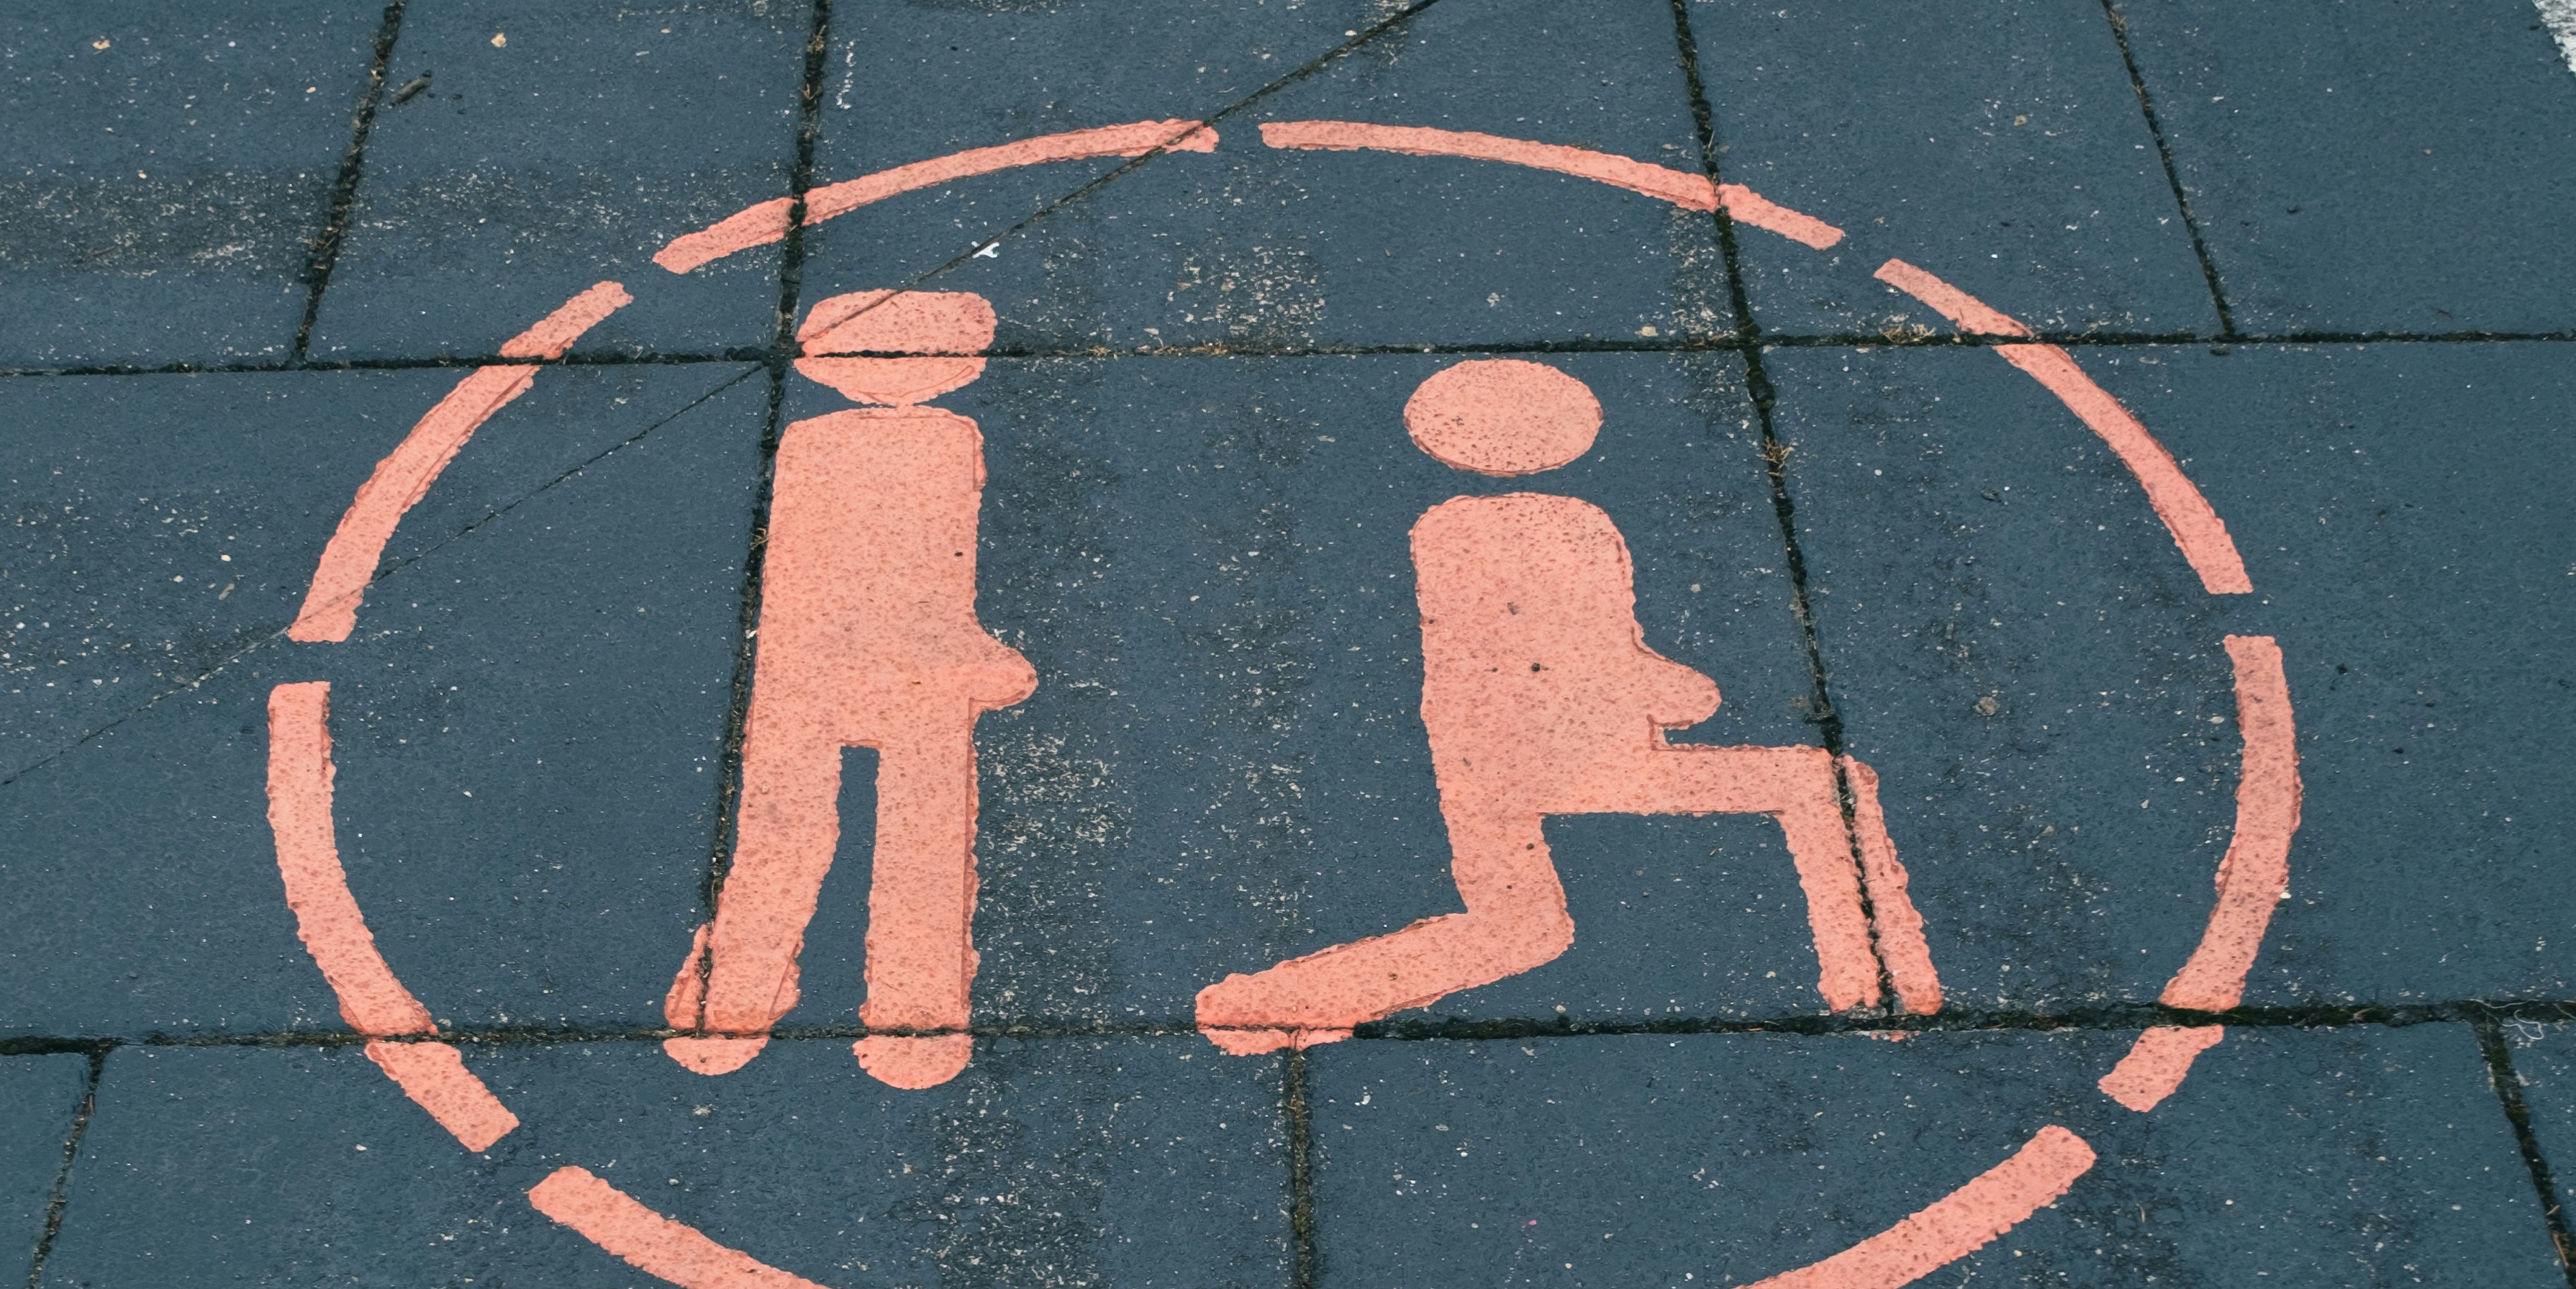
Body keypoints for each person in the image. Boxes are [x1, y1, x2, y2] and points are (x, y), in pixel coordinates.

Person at [1195, 358, 1938, 1051]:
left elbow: (1504, 653)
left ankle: (1284, 998)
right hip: (1592, 761)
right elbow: (1585, 656)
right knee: (1820, 783)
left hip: (1477, 775)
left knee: (1520, 927)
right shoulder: (1572, 529)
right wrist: (1681, 691)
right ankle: (1877, 977)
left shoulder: (1441, 529)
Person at [666, 289, 1037, 1092]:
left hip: (804, 665)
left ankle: (733, 1003)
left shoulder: (813, 441)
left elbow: (804, 570)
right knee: (919, 844)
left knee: (782, 833)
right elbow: (932, 576)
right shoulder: (944, 441)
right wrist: (961, 650)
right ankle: (912, 1024)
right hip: (902, 667)